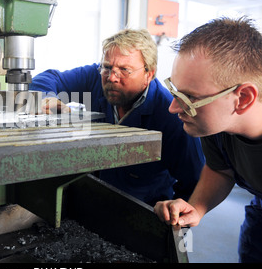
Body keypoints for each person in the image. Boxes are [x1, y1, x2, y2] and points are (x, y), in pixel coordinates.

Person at [30, 28, 204, 206]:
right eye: (107, 67)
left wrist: (172, 218)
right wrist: (46, 98)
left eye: (125, 69)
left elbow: (195, 181)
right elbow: (48, 78)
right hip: (92, 198)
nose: (112, 77)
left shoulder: (171, 117)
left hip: (140, 210)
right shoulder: (95, 78)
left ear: (149, 74)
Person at [153, 17, 262, 263]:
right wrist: (197, 207)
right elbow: (220, 169)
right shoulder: (216, 126)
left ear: (243, 98)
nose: (173, 108)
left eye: (189, 97)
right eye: (175, 91)